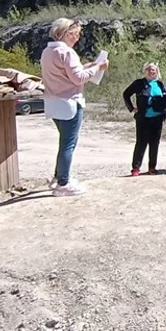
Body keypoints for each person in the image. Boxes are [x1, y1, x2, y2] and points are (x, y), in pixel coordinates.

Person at [40, 18, 108, 197]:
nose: (76, 38)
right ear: (64, 33)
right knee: (68, 144)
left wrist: (89, 66)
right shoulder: (67, 52)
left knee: (65, 143)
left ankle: (59, 177)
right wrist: (98, 67)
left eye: (78, 34)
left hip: (53, 102)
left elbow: (70, 73)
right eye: (74, 34)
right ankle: (64, 182)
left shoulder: (48, 51)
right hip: (69, 102)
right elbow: (78, 78)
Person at [122, 62, 166, 176]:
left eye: (154, 70)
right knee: (141, 142)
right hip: (143, 118)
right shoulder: (138, 83)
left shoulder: (160, 84)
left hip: (158, 118)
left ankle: (152, 167)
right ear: (145, 71)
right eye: (149, 69)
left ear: (157, 72)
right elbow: (126, 94)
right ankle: (136, 168)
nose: (152, 72)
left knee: (154, 143)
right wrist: (131, 108)